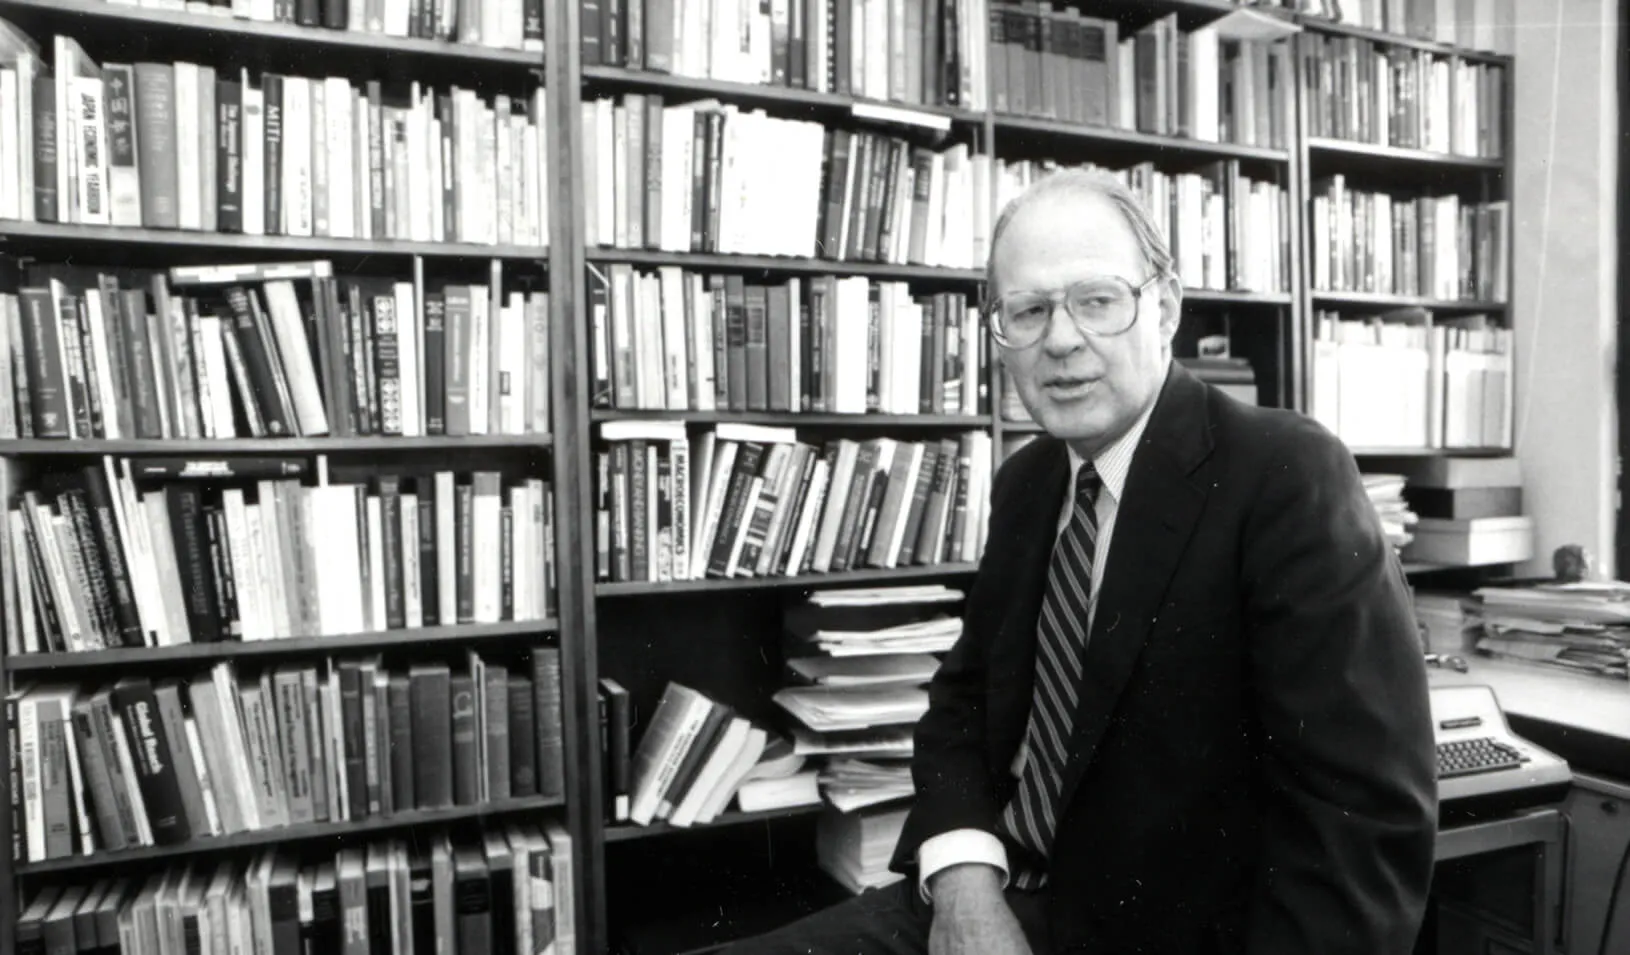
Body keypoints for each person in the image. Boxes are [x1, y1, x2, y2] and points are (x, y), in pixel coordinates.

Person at [723, 168, 1438, 955]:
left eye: (1097, 299)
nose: (1060, 340)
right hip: (998, 903)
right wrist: (963, 883)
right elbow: (962, 709)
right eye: (1028, 310)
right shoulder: (1029, 485)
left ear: (1163, 307)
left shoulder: (1284, 473)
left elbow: (1361, 818)